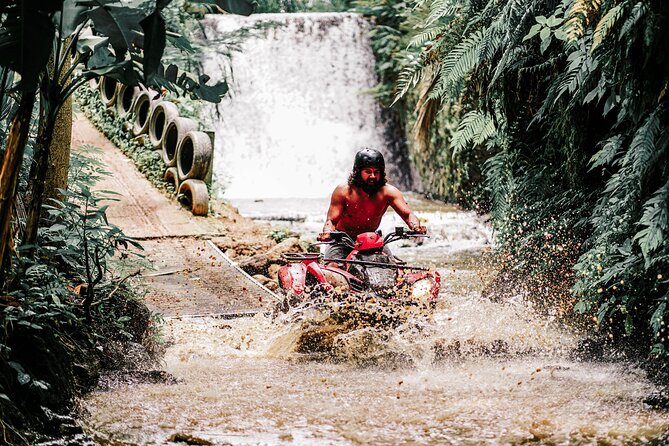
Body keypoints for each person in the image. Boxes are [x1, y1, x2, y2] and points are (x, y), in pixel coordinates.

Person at [318, 148, 427, 261]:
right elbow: (331, 221)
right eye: (368, 172)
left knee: (392, 268)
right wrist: (327, 233)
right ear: (357, 172)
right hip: (342, 240)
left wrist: (416, 227)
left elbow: (408, 214)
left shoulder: (388, 192)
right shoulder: (343, 191)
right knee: (332, 268)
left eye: (376, 172)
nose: (373, 176)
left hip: (372, 239)